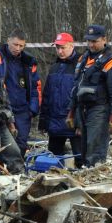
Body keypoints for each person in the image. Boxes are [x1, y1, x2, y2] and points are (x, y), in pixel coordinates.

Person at [67, 24, 112, 167]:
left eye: (94, 41)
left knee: (96, 147)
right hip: (82, 108)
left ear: (104, 39)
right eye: (89, 41)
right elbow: (76, 87)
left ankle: (96, 172)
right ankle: (87, 173)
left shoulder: (111, 61)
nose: (91, 44)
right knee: (84, 147)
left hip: (100, 109)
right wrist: (71, 111)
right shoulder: (83, 59)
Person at [0, 29, 41, 155]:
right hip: (2, 109)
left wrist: (32, 109)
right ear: (8, 41)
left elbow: (36, 87)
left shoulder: (28, 62)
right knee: (2, 145)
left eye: (21, 46)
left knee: (21, 145)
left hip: (23, 110)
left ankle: (18, 171)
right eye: (15, 44)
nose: (18, 48)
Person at [38, 32, 82, 162]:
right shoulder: (54, 67)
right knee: (53, 161)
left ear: (72, 46)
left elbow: (83, 97)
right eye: (57, 48)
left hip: (73, 120)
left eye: (63, 47)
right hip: (55, 122)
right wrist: (43, 120)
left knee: (81, 160)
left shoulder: (81, 65)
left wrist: (80, 121)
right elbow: (47, 96)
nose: (60, 51)